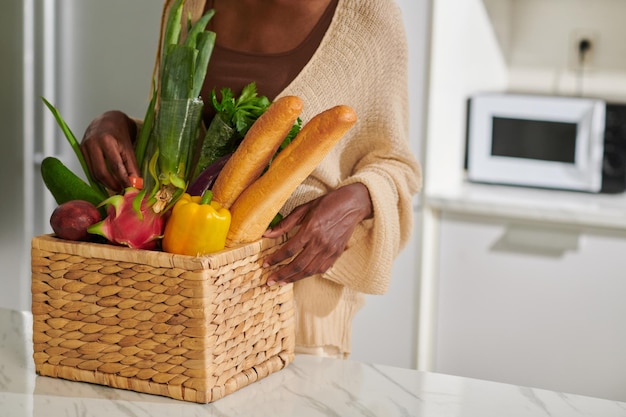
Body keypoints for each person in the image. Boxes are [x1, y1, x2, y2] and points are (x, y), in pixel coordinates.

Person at [80, 0, 422, 358]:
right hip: (186, 280)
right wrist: (116, 124)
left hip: (293, 284)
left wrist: (356, 200)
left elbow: (396, 163)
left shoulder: (367, 14)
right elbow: (179, 145)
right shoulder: (188, 6)